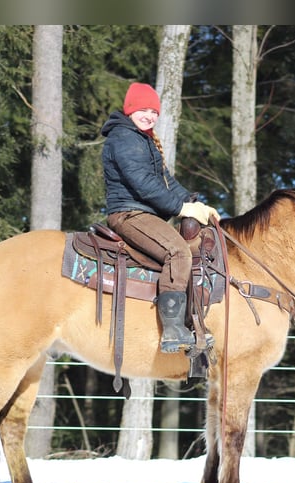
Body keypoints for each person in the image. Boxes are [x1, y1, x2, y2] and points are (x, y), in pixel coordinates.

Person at [101, 82, 220, 353]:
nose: (149, 116)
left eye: (154, 111)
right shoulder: (123, 137)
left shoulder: (144, 139)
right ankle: (173, 330)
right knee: (178, 252)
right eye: (143, 109)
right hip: (129, 213)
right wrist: (182, 210)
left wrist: (194, 203)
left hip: (145, 213)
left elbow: (166, 181)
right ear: (129, 110)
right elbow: (143, 183)